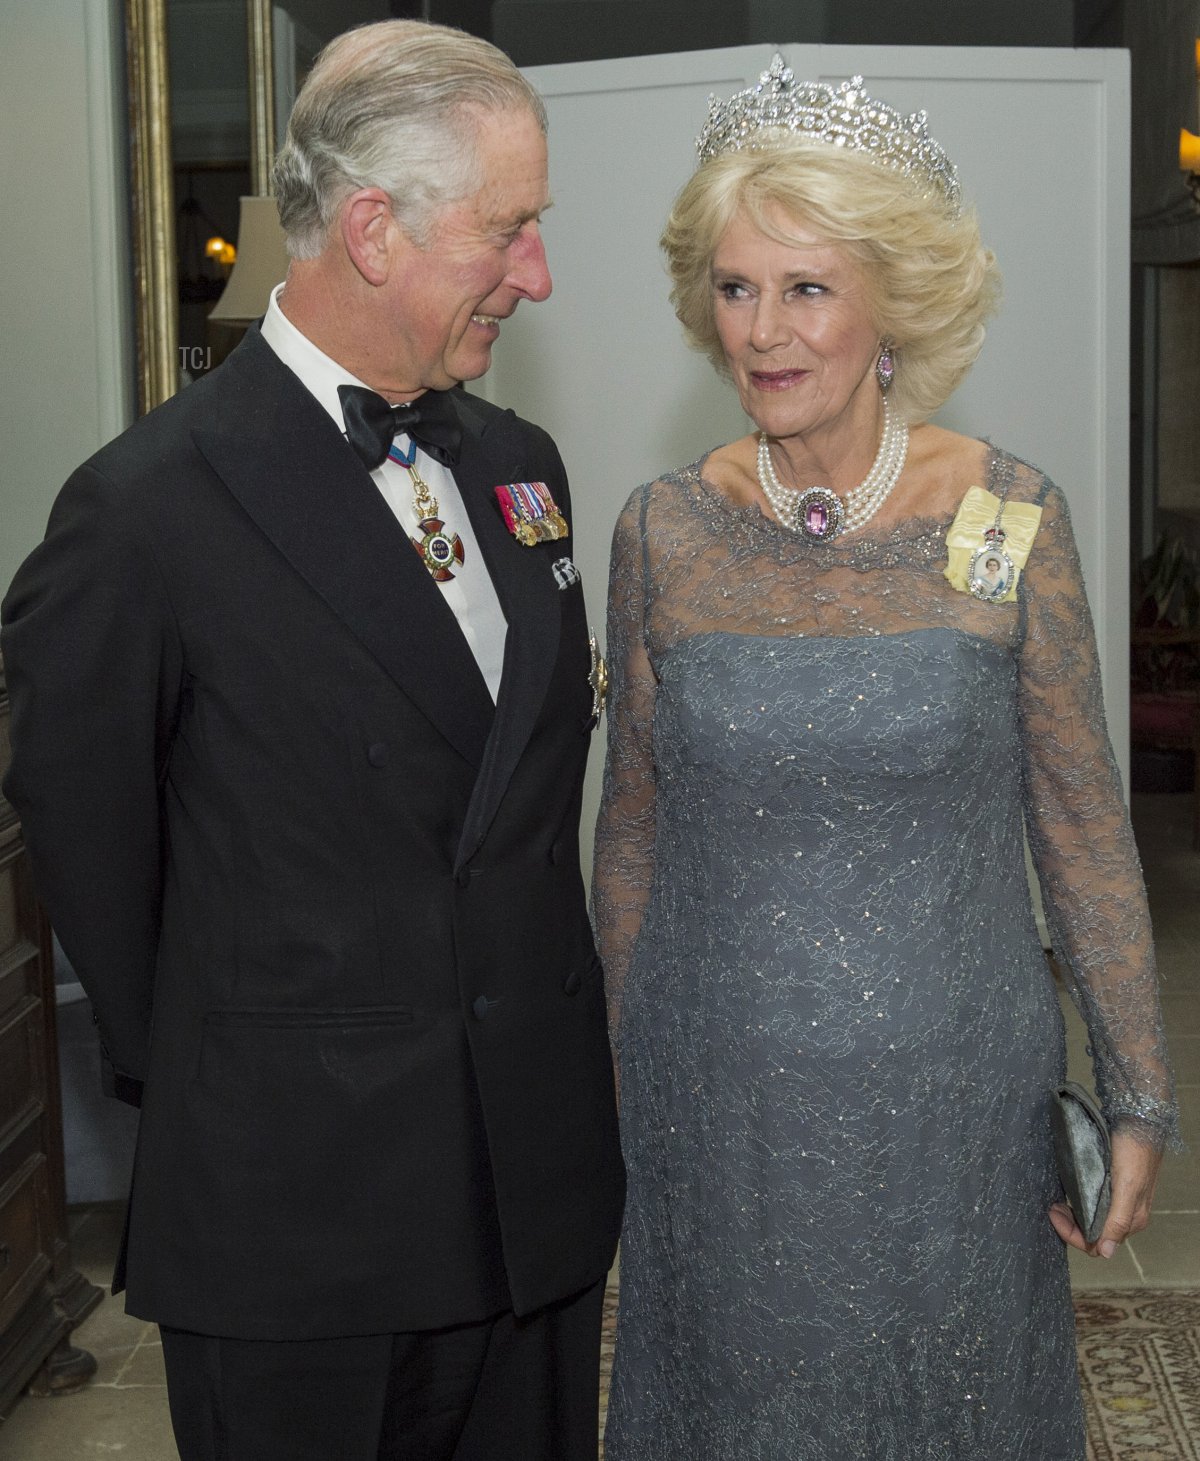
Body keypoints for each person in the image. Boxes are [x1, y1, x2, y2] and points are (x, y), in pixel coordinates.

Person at [2, 20, 623, 1461]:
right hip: (303, 1220)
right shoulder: (145, 511)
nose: (538, 274)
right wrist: (248, 1070)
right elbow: (91, 842)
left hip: (531, 1197)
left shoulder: (519, 465)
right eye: (510, 230)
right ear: (374, 230)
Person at [592, 57, 1177, 1459]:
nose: (763, 332)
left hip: (953, 1104)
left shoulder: (1010, 513)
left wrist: (1139, 1092)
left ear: (892, 302)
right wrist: (622, 1078)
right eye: (737, 288)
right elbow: (632, 833)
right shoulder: (661, 531)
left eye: (807, 288)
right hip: (720, 1100)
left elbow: (1081, 821)